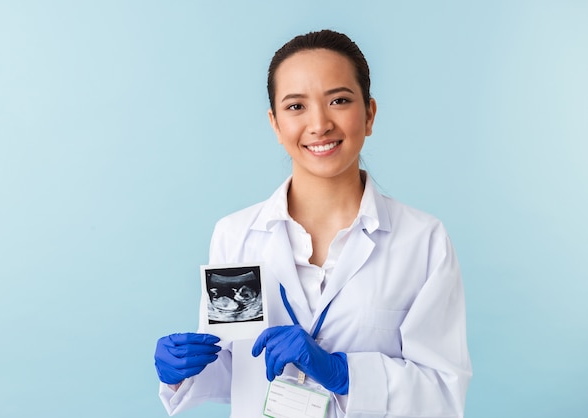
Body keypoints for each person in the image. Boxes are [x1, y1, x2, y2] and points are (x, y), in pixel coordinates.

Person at [154, 29, 472, 417]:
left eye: (339, 100)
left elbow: (443, 393)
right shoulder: (235, 235)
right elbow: (236, 368)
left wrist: (343, 372)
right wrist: (181, 371)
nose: (319, 124)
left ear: (369, 114)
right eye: (296, 106)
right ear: (274, 123)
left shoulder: (423, 241)